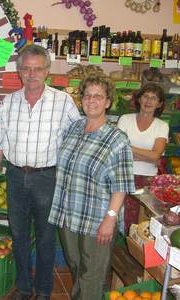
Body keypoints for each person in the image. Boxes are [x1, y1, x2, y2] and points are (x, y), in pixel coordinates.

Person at [0, 44, 81, 300]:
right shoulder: (8, 102)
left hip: (48, 179)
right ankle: (25, 289)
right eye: (26, 69)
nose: (32, 74)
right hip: (15, 177)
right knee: (19, 236)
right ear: (19, 71)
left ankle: (44, 291)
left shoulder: (63, 102)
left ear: (47, 71)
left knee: (47, 238)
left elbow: (80, 139)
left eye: (38, 69)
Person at [48, 74, 135, 300]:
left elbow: (122, 184)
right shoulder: (74, 129)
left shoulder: (118, 139)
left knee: (92, 275)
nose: (92, 100)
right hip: (69, 215)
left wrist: (110, 218)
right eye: (87, 95)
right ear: (81, 100)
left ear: (107, 102)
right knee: (76, 267)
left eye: (98, 96)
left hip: (97, 218)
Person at [117, 83, 169, 232]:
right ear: (139, 99)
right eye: (145, 96)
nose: (148, 101)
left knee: (141, 222)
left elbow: (156, 155)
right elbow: (117, 149)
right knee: (121, 217)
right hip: (124, 175)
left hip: (148, 180)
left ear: (159, 104)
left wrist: (129, 149)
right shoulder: (125, 119)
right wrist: (148, 155)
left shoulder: (161, 126)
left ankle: (136, 251)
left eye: (154, 98)